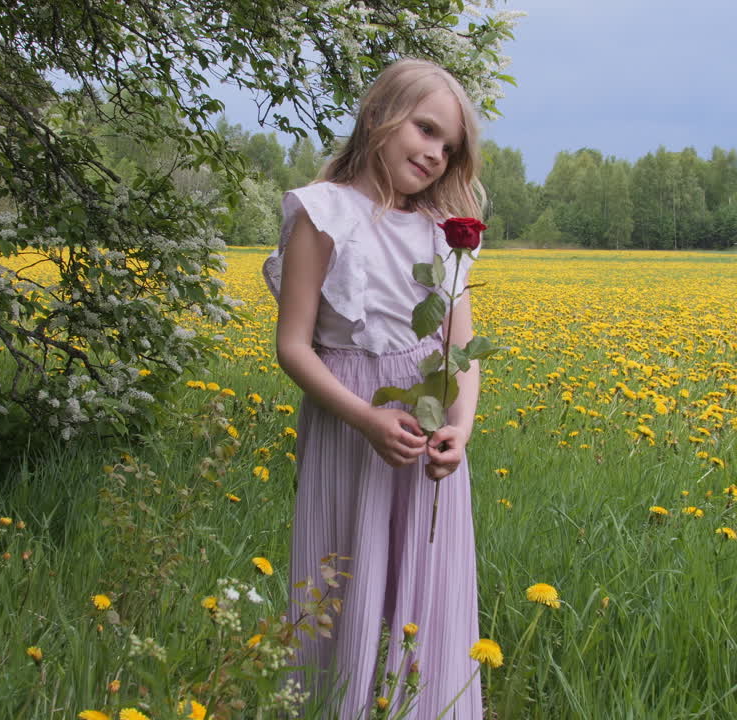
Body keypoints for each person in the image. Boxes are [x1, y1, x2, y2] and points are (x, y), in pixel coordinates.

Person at [263, 58, 485, 719]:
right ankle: (337, 707)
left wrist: (462, 429)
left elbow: (462, 351)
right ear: (378, 115)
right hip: (352, 427)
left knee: (425, 592)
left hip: (424, 435)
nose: (435, 154)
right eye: (425, 130)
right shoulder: (324, 214)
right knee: (341, 589)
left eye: (449, 148)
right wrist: (364, 418)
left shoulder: (444, 234)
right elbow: (293, 345)